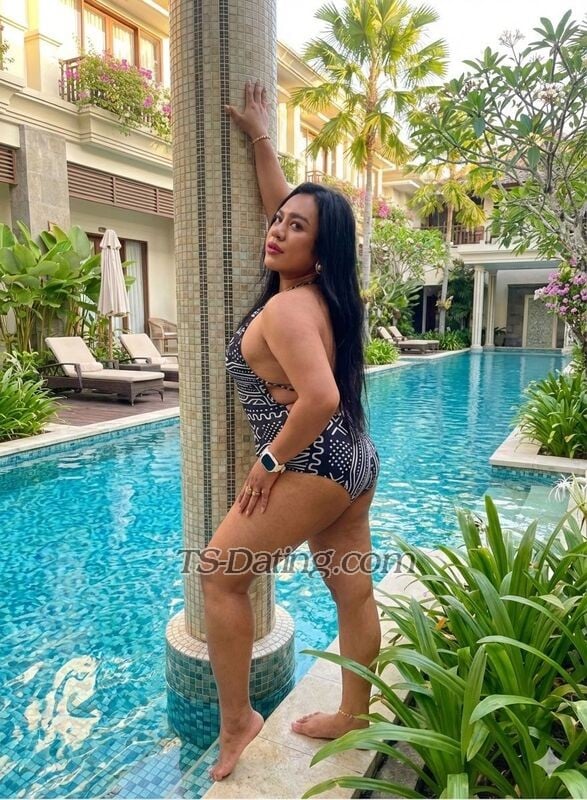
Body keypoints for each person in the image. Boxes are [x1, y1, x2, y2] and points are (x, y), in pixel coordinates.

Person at [200, 80, 381, 782]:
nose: (275, 230)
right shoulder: (323, 296)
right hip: (355, 461)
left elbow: (320, 396)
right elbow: (291, 208)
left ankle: (237, 721)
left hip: (311, 464)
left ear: (320, 248)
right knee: (353, 593)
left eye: (294, 228)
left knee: (219, 579)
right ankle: (354, 716)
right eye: (277, 220)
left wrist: (268, 462)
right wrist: (259, 137)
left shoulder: (284, 311)